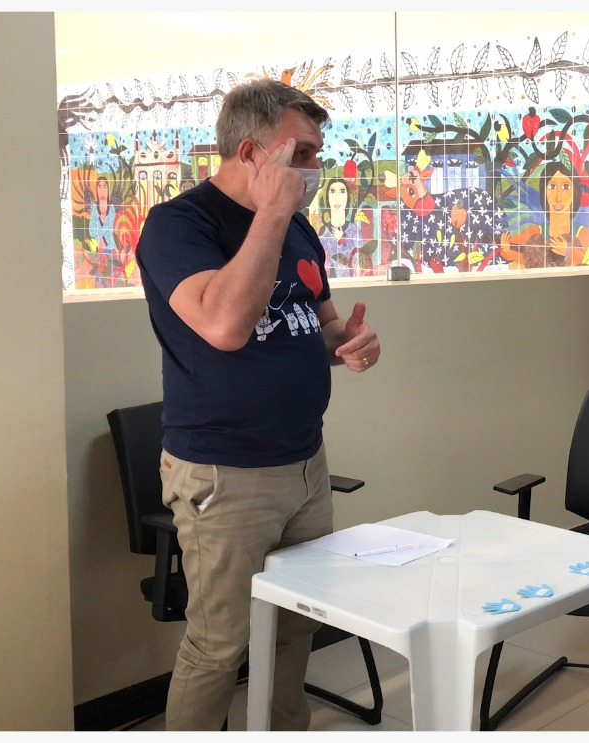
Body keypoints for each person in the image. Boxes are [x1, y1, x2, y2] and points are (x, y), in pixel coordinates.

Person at [135, 79, 381, 731]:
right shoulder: (179, 226)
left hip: (305, 463)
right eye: (301, 153)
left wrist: (349, 343)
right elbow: (223, 326)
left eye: (317, 152)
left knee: (297, 624)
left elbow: (316, 325)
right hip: (224, 472)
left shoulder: (297, 227)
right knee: (219, 644)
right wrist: (271, 213)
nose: (315, 167)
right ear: (250, 152)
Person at [317, 176, 367, 278]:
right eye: (332, 191)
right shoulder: (323, 232)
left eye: (342, 191)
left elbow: (359, 260)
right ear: (327, 197)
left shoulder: (354, 230)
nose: (337, 198)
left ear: (347, 197)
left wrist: (342, 240)